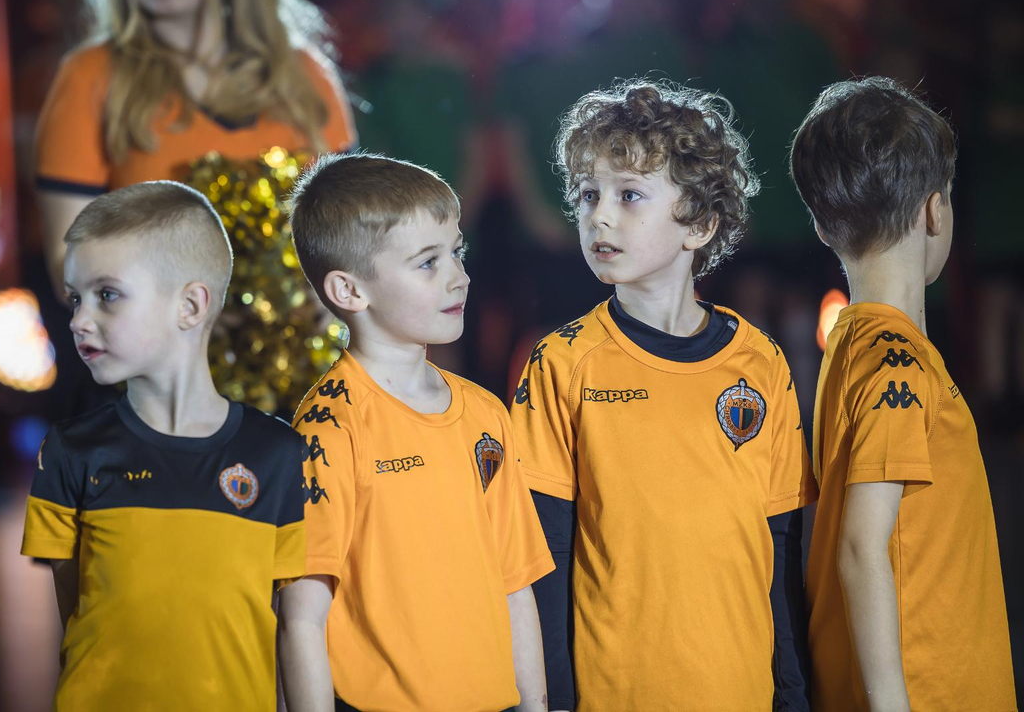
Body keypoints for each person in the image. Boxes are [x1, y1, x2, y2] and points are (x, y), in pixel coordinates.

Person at [509, 82, 817, 711]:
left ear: (699, 224)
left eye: (628, 195)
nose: (599, 215)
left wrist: (793, 695)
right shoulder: (561, 364)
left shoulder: (759, 362)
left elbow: (781, 550)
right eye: (588, 194)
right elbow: (544, 559)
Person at [278, 153, 552, 712]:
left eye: (457, 252)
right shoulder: (329, 429)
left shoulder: (486, 414)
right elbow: (301, 619)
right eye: (428, 262)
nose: (460, 276)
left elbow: (515, 585)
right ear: (349, 291)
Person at [21, 180, 305, 710]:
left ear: (190, 306)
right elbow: (81, 624)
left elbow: (296, 632)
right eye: (76, 298)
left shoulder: (278, 456)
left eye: (107, 295)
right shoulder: (70, 451)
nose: (79, 320)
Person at [791, 78, 1016, 711]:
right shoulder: (899, 365)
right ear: (935, 211)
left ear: (823, 226)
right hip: (931, 692)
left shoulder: (850, 344)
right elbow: (862, 546)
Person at [34, 0, 354, 296]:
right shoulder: (89, 75)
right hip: (156, 341)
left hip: (302, 340)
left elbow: (352, 247)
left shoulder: (305, 75)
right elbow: (67, 267)